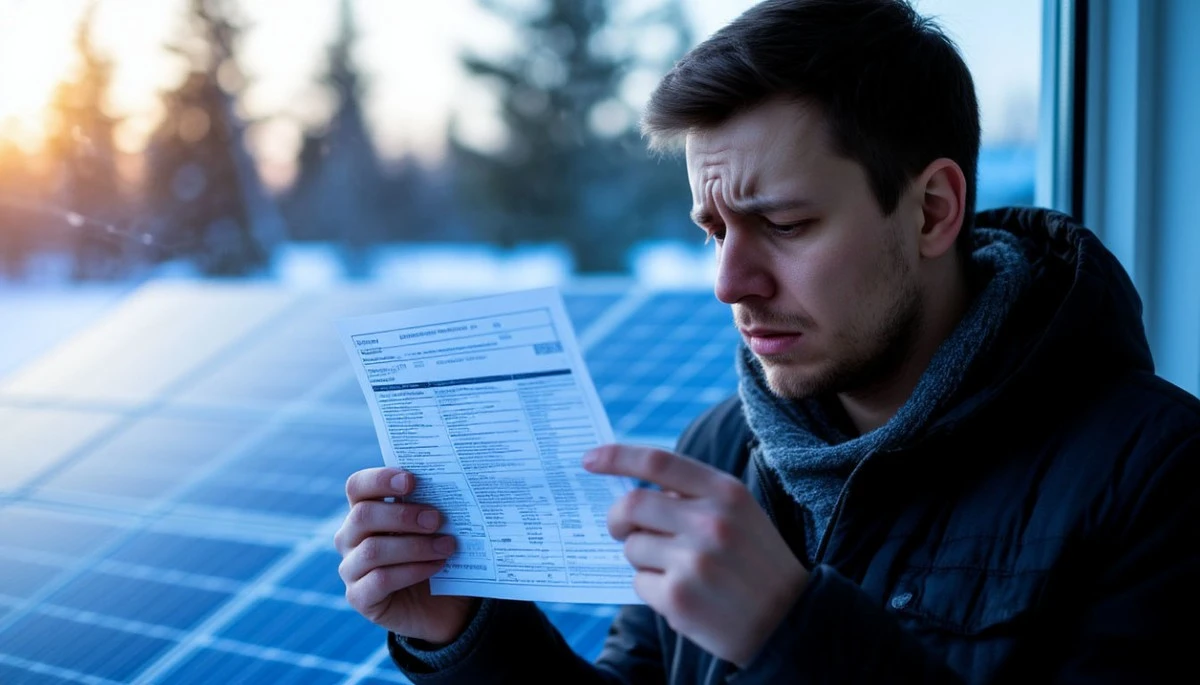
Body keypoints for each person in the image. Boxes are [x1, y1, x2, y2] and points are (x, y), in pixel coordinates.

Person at [334, 0, 1200, 681]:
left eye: (782, 223)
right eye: (713, 230)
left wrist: (791, 633)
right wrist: (469, 634)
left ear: (933, 210)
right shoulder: (716, 451)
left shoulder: (1159, 476)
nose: (728, 282)